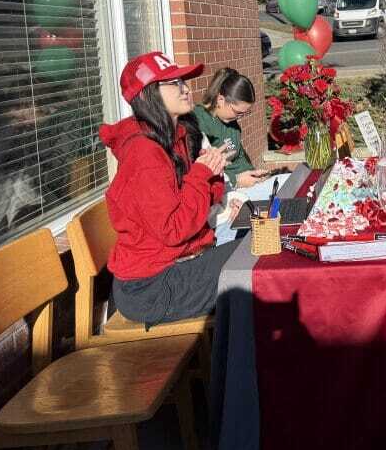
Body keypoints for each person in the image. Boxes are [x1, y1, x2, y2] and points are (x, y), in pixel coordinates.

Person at [99, 52, 240, 327]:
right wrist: (201, 175)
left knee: (260, 245)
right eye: (173, 83)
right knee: (255, 265)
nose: (185, 88)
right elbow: (174, 229)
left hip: (180, 262)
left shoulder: (178, 136)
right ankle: (234, 368)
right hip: (151, 287)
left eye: (182, 80)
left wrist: (212, 174)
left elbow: (202, 201)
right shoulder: (144, 154)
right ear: (148, 94)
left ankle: (233, 364)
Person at [193, 67, 275, 197]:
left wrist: (254, 174)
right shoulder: (198, 121)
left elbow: (240, 157)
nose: (239, 118)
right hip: (224, 194)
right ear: (220, 100)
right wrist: (235, 179)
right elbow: (197, 169)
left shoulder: (232, 124)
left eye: (244, 113)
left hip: (246, 189)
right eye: (237, 112)